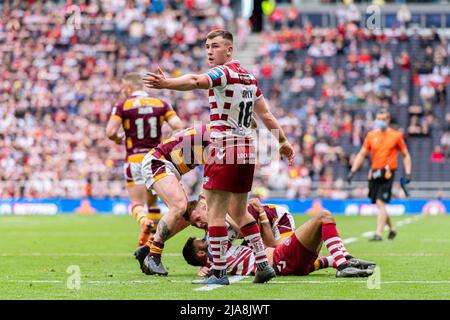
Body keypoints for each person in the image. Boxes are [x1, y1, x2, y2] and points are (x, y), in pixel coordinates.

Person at [143, 29, 295, 285]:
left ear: (229, 50)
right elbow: (266, 116)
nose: (209, 52)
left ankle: (219, 272)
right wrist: (283, 142)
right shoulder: (249, 78)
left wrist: (166, 83)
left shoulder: (223, 72)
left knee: (215, 212)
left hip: (224, 148)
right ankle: (262, 264)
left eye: (214, 46)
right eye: (206, 47)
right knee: (239, 212)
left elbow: (195, 80)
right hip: (247, 150)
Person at [106, 72, 183, 246]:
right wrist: (168, 146)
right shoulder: (161, 104)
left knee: (137, 203)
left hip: (134, 158)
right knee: (153, 202)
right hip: (155, 159)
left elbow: (110, 132)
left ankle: (144, 221)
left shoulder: (122, 105)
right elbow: (178, 126)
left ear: (128, 87)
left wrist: (118, 139)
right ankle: (151, 241)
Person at [183, 210, 376, 279]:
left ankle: (342, 260)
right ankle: (344, 264)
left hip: (290, 266)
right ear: (201, 253)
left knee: (311, 258)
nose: (208, 236)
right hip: (281, 258)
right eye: (203, 240)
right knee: (324, 217)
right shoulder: (216, 258)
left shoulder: (219, 259)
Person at [136, 124, 210, 275]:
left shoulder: (216, 133)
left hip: (169, 166)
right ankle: (154, 256)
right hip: (159, 162)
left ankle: (147, 248)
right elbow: (210, 179)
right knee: (179, 206)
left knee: (186, 216)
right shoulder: (219, 137)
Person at [347, 109, 412, 241]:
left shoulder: (396, 136)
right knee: (378, 203)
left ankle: (378, 233)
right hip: (374, 173)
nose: (380, 121)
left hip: (388, 173)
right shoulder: (371, 136)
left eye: (383, 119)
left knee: (380, 202)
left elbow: (405, 155)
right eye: (378, 118)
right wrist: (353, 170)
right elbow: (362, 154)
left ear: (388, 120)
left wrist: (408, 173)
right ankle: (392, 228)